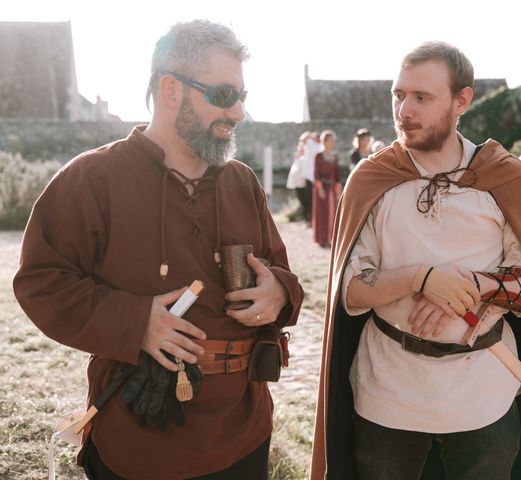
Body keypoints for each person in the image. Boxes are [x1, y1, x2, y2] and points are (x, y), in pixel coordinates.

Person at [13, 20, 303, 480]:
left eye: (242, 96)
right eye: (225, 95)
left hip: (242, 430)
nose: (240, 113)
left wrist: (279, 294)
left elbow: (282, 272)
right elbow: (41, 282)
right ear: (171, 90)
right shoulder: (91, 179)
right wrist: (135, 321)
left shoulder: (242, 182)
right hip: (139, 432)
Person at [310, 41, 521, 479]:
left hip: (483, 391)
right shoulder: (373, 178)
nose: (404, 110)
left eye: (422, 97)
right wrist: (419, 278)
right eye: (398, 95)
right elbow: (349, 290)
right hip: (388, 392)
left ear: (462, 100)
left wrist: (468, 286)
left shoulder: (503, 177)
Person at [312, 130, 342, 248]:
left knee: (332, 214)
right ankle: (322, 239)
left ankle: (331, 238)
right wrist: (320, 189)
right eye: (330, 140)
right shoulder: (318, 156)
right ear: (324, 141)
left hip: (332, 190)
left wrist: (338, 189)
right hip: (322, 190)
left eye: (333, 140)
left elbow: (337, 176)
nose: (332, 142)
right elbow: (316, 175)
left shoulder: (335, 156)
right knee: (322, 214)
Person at [286, 131, 310, 220]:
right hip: (298, 181)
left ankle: (308, 218)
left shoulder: (309, 151)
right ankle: (306, 217)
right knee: (302, 201)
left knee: (306, 201)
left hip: (304, 181)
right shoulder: (299, 152)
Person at [302, 131, 322, 224]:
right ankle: (310, 219)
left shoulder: (320, 146)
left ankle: (314, 219)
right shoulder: (311, 144)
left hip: (317, 175)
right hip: (309, 175)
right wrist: (310, 135)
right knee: (309, 197)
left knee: (315, 198)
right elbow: (303, 139)